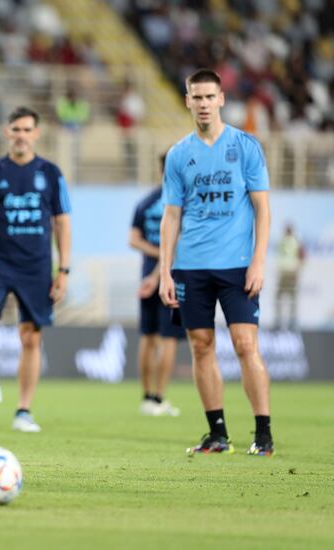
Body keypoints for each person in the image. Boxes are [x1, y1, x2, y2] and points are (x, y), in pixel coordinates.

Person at [159, 69, 273, 456]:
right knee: (201, 345)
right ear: (188, 101)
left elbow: (263, 209)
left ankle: (263, 433)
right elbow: (171, 216)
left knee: (245, 344)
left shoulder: (245, 147)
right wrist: (165, 272)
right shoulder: (178, 155)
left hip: (237, 266)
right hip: (191, 266)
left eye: (210, 97)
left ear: (221, 99)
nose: (204, 104)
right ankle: (218, 434)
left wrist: (258, 262)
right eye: (197, 97)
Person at [0, 106, 72, 433]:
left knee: (30, 337)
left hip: (37, 265)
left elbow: (62, 222)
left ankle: (23, 411)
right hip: (0, 261)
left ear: (36, 133)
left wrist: (64, 269)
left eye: (27, 129)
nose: (21, 135)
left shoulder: (51, 173)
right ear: (7, 132)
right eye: (16, 129)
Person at [129, 153, 183, 417]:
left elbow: (133, 239)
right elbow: (181, 241)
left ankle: (147, 397)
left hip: (146, 275)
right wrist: (163, 259)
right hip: (172, 278)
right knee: (168, 339)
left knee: (148, 338)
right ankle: (160, 398)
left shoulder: (146, 201)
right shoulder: (182, 202)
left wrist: (152, 255)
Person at [275, 224, 304, 330]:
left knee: (291, 298)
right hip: (285, 273)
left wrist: (298, 269)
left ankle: (292, 321)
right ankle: (280, 320)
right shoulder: (284, 241)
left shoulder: (294, 241)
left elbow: (301, 255)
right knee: (280, 297)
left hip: (291, 273)